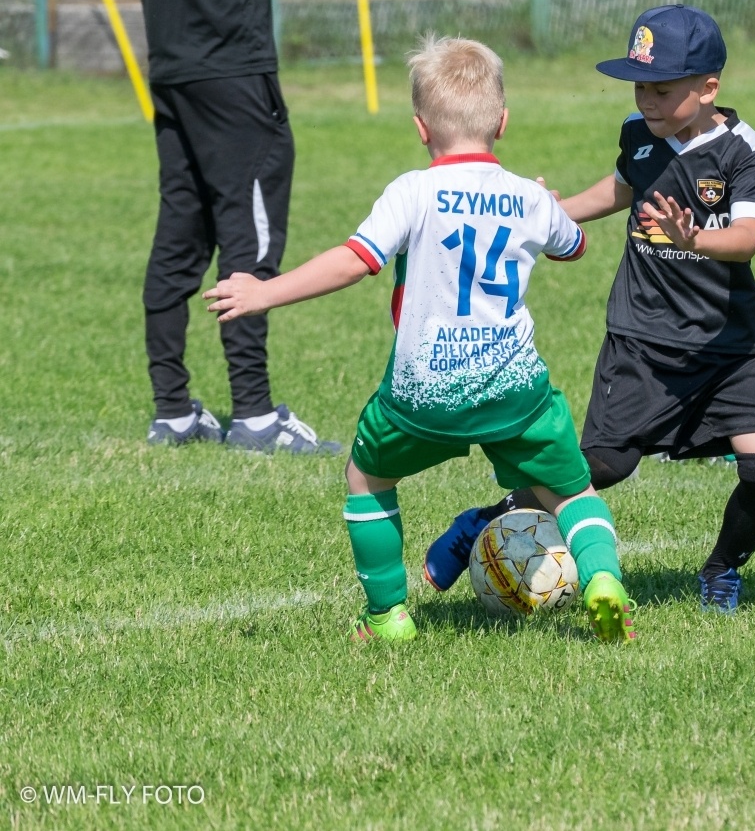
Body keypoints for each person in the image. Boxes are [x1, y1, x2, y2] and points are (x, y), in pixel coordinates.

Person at [204, 37, 636, 644]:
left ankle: (388, 616)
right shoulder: (528, 197)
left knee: (366, 476)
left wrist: (264, 292)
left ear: (420, 128)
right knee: (571, 493)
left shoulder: (412, 190)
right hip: (515, 392)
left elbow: (355, 261)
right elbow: (574, 245)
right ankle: (602, 582)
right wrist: (539, 200)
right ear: (503, 122)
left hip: (423, 391)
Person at [425, 5, 755, 614]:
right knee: (605, 466)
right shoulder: (638, 133)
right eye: (640, 84)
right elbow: (620, 190)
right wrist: (548, 212)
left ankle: (722, 569)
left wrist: (692, 238)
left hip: (726, 344)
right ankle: (485, 521)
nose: (646, 98)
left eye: (662, 88)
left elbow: (748, 239)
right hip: (642, 337)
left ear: (708, 87)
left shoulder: (741, 152)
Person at [134, 0, 328, 451]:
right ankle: (254, 417)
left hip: (173, 71)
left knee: (179, 232)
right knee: (249, 240)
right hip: (235, 73)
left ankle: (174, 411)